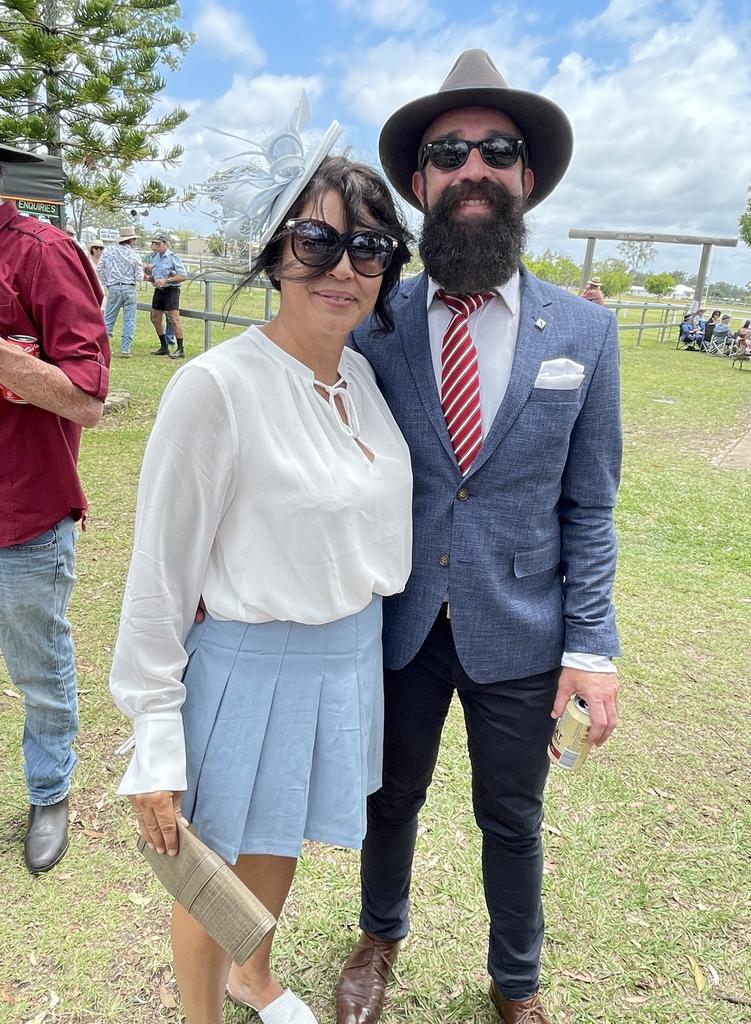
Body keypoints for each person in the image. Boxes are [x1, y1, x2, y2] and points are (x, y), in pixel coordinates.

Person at [109, 104, 413, 1024]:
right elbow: (159, 576)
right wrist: (154, 744)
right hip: (252, 663)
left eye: (370, 249)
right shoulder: (217, 387)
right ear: (276, 250)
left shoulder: (360, 376)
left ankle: (255, 975)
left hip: (345, 658)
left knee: (279, 841)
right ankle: (205, 1011)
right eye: (317, 241)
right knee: (212, 878)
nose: (343, 269)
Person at [335, 50, 621, 1024]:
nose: (471, 168)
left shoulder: (585, 336)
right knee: (390, 798)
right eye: (446, 151)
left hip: (522, 627)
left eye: (495, 149)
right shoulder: (372, 324)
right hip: (402, 620)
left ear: (525, 176)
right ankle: (378, 936)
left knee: (513, 816)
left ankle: (517, 983)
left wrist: (592, 647)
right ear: (418, 183)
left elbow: (590, 505)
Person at [0, 142, 110, 874]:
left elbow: (89, 397)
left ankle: (49, 789)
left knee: (38, 664)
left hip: (22, 516)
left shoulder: (41, 253)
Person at [99, 228, 144, 357]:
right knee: (129, 320)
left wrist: (107, 282)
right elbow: (139, 275)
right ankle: (125, 348)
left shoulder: (109, 251)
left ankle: (104, 348)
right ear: (131, 240)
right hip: (129, 287)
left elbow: (100, 268)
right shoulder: (134, 254)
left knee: (109, 319)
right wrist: (135, 280)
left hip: (114, 287)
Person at [145, 233, 187, 359]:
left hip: (171, 290)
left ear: (164, 244)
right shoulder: (155, 258)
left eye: (157, 243)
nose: (154, 246)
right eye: (153, 243)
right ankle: (164, 346)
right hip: (159, 290)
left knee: (174, 319)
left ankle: (180, 349)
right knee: (155, 317)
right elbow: (156, 277)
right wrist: (149, 278)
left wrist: (166, 280)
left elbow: (183, 275)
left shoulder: (173, 257)